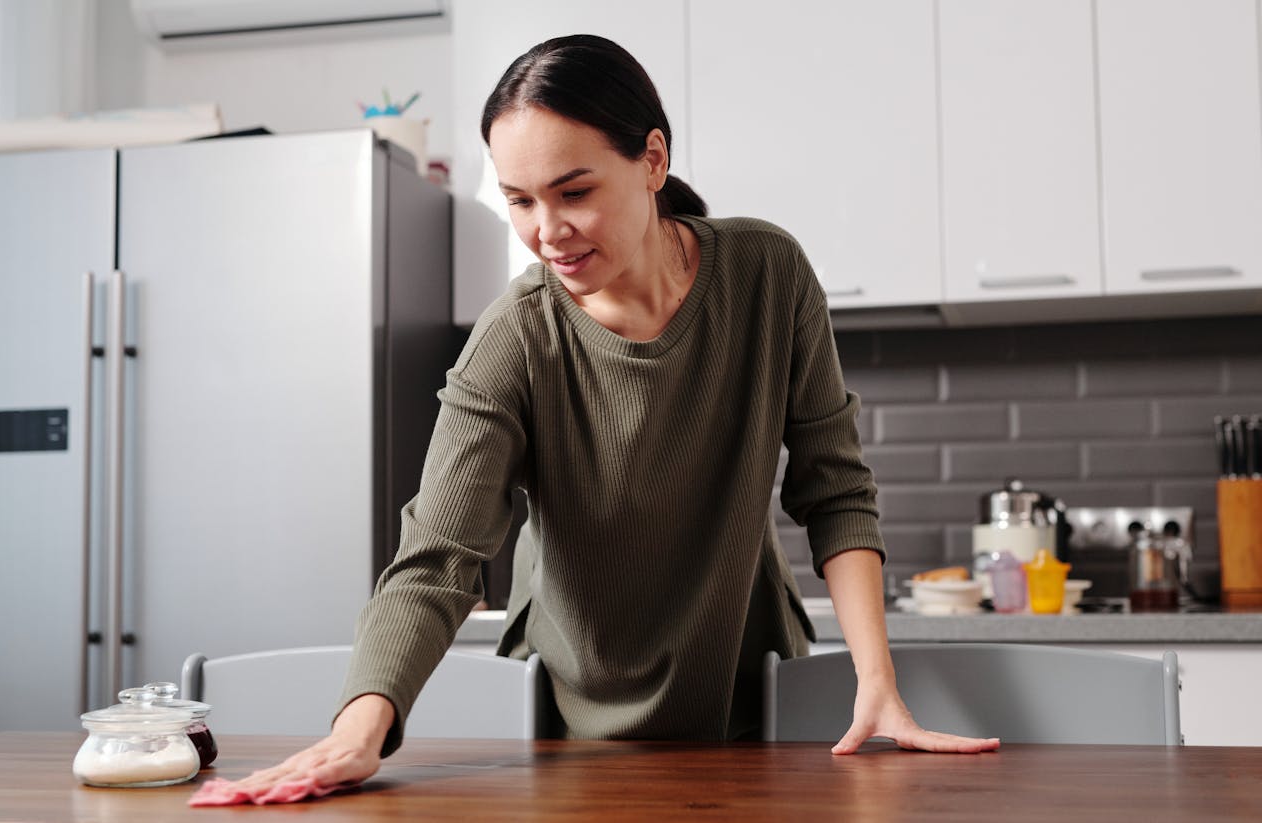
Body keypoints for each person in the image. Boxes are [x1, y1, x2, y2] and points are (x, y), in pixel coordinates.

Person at [222, 33, 999, 802]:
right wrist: (359, 730)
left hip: (747, 698)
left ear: (653, 160)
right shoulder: (517, 335)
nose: (546, 231)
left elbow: (835, 490)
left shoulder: (769, 274)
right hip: (569, 727)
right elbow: (438, 554)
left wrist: (877, 680)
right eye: (519, 201)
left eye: (574, 191)